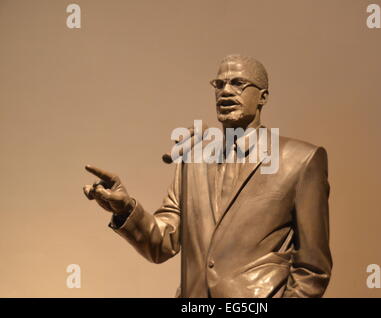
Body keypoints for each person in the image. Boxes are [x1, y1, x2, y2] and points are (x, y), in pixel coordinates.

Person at [83, 54, 332, 298]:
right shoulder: (193, 160)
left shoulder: (300, 159)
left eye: (237, 83)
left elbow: (312, 268)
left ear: (263, 97)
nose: (225, 91)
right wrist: (126, 210)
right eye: (219, 84)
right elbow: (162, 244)